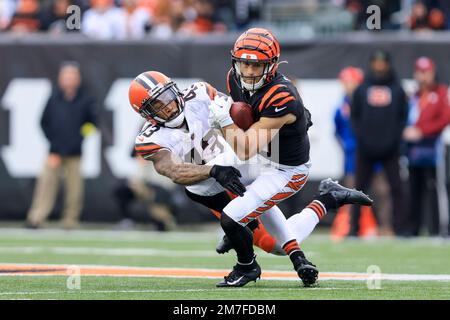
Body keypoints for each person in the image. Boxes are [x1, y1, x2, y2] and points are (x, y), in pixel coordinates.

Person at [128, 70, 373, 287]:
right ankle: (329, 199)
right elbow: (173, 170)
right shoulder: (150, 138)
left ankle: (246, 264)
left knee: (251, 227)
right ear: (148, 114)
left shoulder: (199, 93)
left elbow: (242, 111)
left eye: (169, 97)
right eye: (159, 105)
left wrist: (292, 116)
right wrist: (212, 171)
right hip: (208, 192)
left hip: (234, 171)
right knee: (274, 246)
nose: (169, 106)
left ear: (175, 89)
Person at [207, 27, 372, 287]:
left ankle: (245, 266)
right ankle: (328, 198)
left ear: (272, 65)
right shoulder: (234, 78)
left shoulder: (281, 95)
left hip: (285, 169)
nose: (248, 72)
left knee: (232, 217)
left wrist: (225, 121)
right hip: (262, 154)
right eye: (244, 64)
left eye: (256, 65)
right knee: (204, 164)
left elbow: (246, 148)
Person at [25, 62, 97, 229]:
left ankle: (70, 220)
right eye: (66, 76)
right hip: (54, 152)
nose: (69, 80)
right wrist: (54, 146)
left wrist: (78, 139)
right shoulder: (54, 98)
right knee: (46, 186)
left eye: (72, 76)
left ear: (78, 79)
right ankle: (36, 217)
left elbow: (91, 124)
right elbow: (44, 123)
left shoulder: (86, 100)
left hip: (75, 153)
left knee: (74, 189)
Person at [350, 49, 409, 237]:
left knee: (397, 188)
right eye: (376, 61)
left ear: (388, 64)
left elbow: (403, 117)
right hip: (365, 148)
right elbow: (354, 116)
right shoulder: (362, 89)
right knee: (358, 190)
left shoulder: (398, 90)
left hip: (390, 149)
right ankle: (354, 229)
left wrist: (393, 140)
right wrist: (363, 139)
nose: (380, 65)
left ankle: (401, 228)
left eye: (383, 61)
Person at [403, 57, 450, 236]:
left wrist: (421, 131)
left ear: (432, 73)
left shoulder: (440, 93)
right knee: (414, 190)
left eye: (426, 72)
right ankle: (414, 229)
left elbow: (445, 118)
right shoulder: (413, 96)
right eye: (420, 72)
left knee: (436, 190)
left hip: (432, 150)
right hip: (413, 152)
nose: (423, 76)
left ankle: (438, 229)